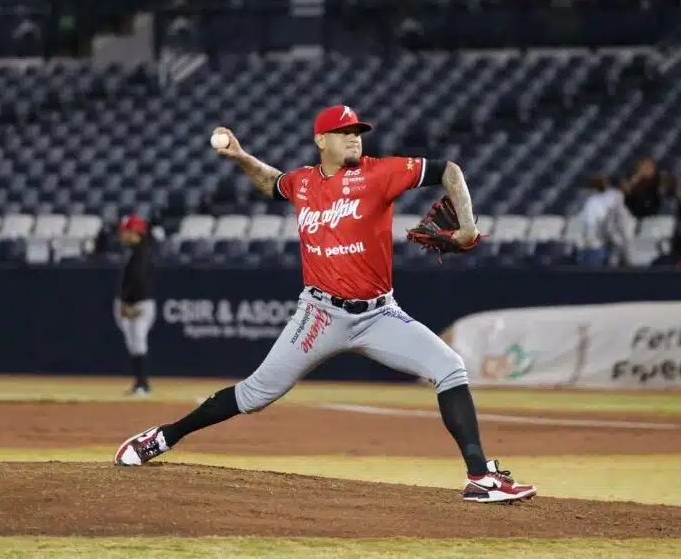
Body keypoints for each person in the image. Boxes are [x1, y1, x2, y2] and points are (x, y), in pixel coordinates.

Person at [113, 105, 536, 504]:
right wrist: (240, 156)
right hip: (319, 313)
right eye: (345, 132)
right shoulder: (303, 182)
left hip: (378, 313)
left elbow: (449, 171)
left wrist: (468, 226)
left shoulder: (381, 173)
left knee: (450, 368)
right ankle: (165, 437)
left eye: (358, 132)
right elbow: (270, 181)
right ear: (321, 140)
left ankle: (480, 478)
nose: (355, 139)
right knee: (255, 394)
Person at [114, 215, 157, 396]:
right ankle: (139, 384)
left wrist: (129, 302)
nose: (122, 234)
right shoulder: (132, 250)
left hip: (139, 303)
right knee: (133, 343)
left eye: (126, 231)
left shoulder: (142, 251)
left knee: (138, 341)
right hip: (129, 302)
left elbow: (140, 280)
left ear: (135, 232)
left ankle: (143, 385)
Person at [577, 174, 634, 267]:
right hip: (603, 245)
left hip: (600, 246)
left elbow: (592, 223)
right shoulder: (602, 200)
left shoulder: (595, 202)